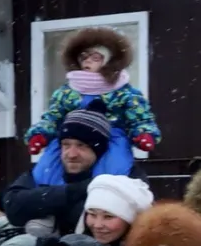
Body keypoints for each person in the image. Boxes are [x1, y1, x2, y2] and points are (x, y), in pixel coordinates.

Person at [25, 28, 159, 182]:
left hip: (111, 137)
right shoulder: (67, 91)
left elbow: (140, 118)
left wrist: (143, 134)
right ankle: (51, 191)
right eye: (83, 57)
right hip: (70, 136)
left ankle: (104, 189)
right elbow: (52, 117)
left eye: (95, 58)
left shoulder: (124, 92)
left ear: (109, 62)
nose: (87, 61)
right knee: (47, 168)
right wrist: (40, 134)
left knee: (114, 168)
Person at [0, 110, 117, 238]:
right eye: (66, 145)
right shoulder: (45, 172)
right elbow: (13, 207)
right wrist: (74, 191)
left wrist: (46, 202)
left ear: (99, 150)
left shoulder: (121, 176)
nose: (71, 154)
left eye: (81, 146)